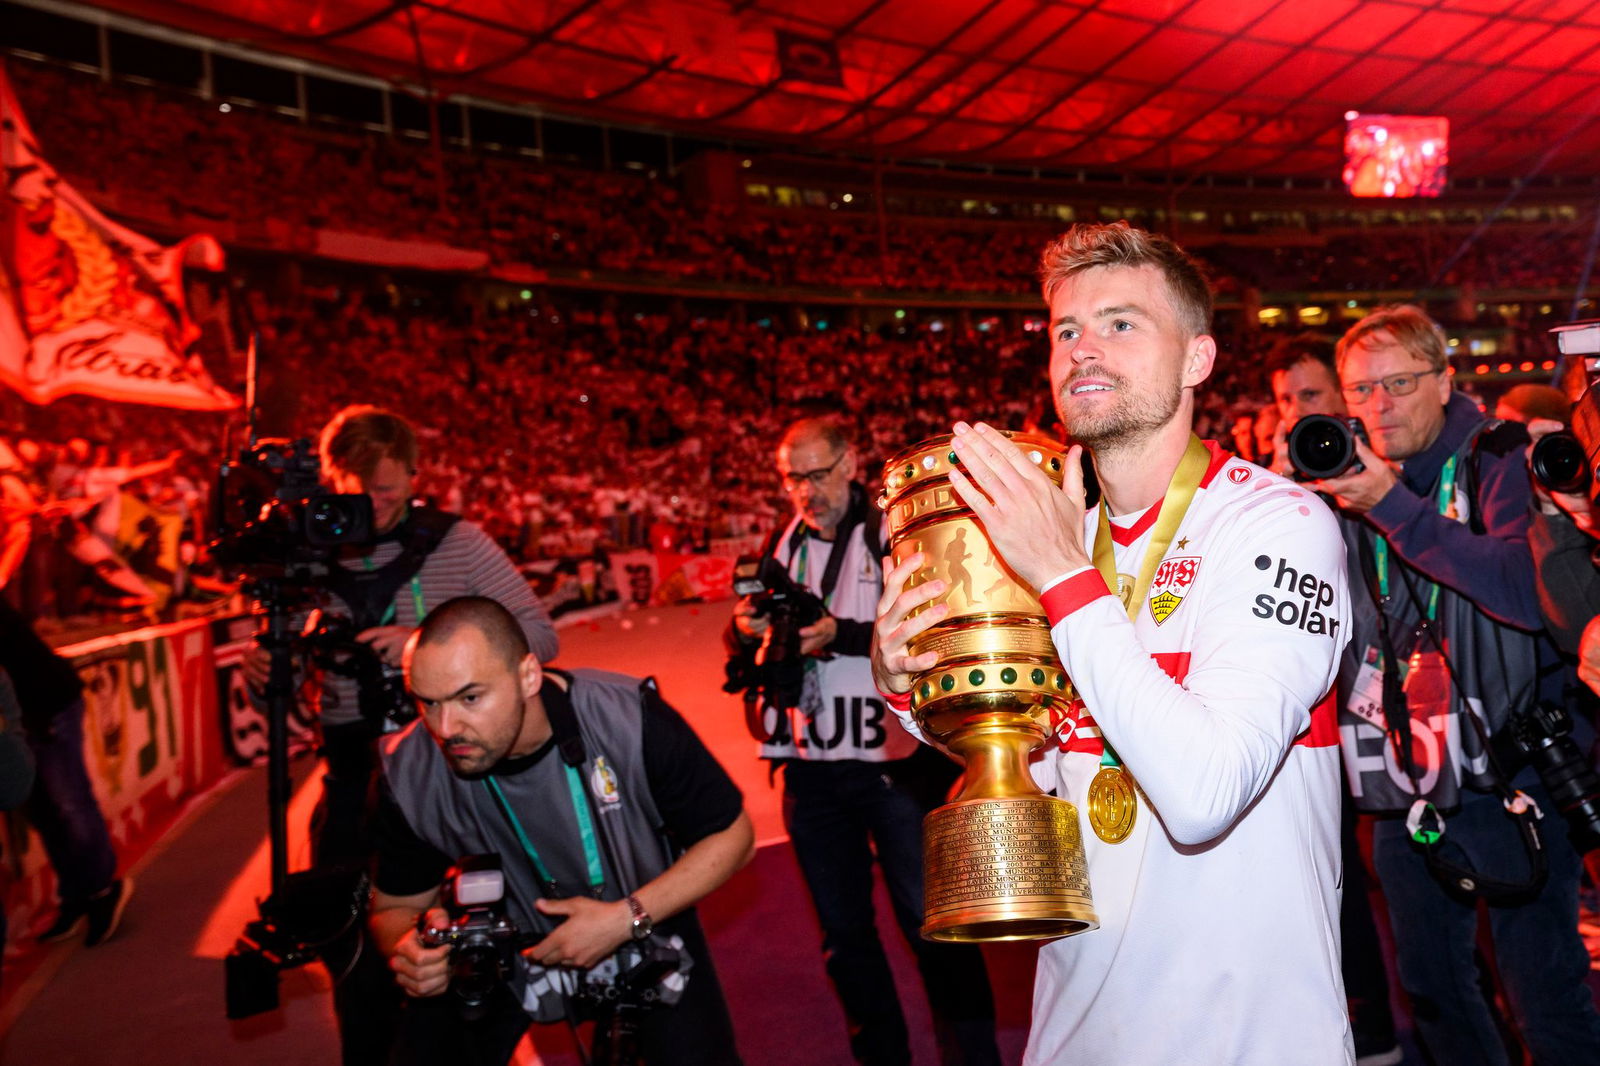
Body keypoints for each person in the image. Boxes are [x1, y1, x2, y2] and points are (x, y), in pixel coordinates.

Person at [874, 221, 1354, 1063]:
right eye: (1067, 331)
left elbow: (1204, 792)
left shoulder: (1277, 524)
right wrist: (908, 684)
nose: (1084, 350)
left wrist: (1064, 576)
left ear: (1198, 359)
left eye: (1121, 323)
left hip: (1253, 1041)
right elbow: (1029, 754)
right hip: (1076, 1035)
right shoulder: (1052, 539)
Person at [1314, 304, 1600, 1066]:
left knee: (1543, 988)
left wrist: (1393, 509)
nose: (1377, 407)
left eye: (1399, 383)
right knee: (1432, 983)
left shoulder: (1500, 456)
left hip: (1512, 767)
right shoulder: (1344, 472)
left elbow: (1521, 590)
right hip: (1403, 768)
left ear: (1445, 380)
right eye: (1361, 391)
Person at [239, 405, 559, 1065]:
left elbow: (541, 635)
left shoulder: (457, 542)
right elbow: (280, 692)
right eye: (352, 488)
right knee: (354, 957)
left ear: (414, 475)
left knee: (474, 948)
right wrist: (266, 665)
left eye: (385, 488)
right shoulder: (303, 553)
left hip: (450, 771)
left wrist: (422, 652)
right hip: (353, 775)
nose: (369, 503)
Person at [725, 416, 1000, 1066]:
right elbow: (755, 650)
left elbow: (937, 625)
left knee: (937, 928)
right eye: (792, 478)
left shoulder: (892, 532)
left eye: (816, 474)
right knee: (844, 940)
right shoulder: (783, 543)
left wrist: (841, 635)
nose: (804, 490)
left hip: (895, 768)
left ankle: (975, 1056)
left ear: (850, 464)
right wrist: (742, 631)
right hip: (811, 770)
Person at [371, 596, 750, 1065]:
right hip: (498, 947)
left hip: (641, 920)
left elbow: (733, 835)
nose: (447, 729)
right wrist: (410, 949)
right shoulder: (407, 773)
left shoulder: (628, 716)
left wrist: (622, 919)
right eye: (428, 702)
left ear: (528, 676)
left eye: (470, 698)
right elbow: (394, 909)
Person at [1263, 332, 1401, 1064]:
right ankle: (1358, 1027)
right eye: (1287, 400)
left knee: (1388, 886)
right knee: (1326, 879)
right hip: (1315, 719)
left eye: (1311, 397)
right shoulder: (1267, 489)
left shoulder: (1384, 476)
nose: (1297, 413)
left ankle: (1383, 1023)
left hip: (1389, 713)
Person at [0, 601, 132, 948]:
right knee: (46, 815)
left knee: (70, 803)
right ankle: (77, 895)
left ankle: (103, 890)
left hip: (48, 706)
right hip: (30, 716)